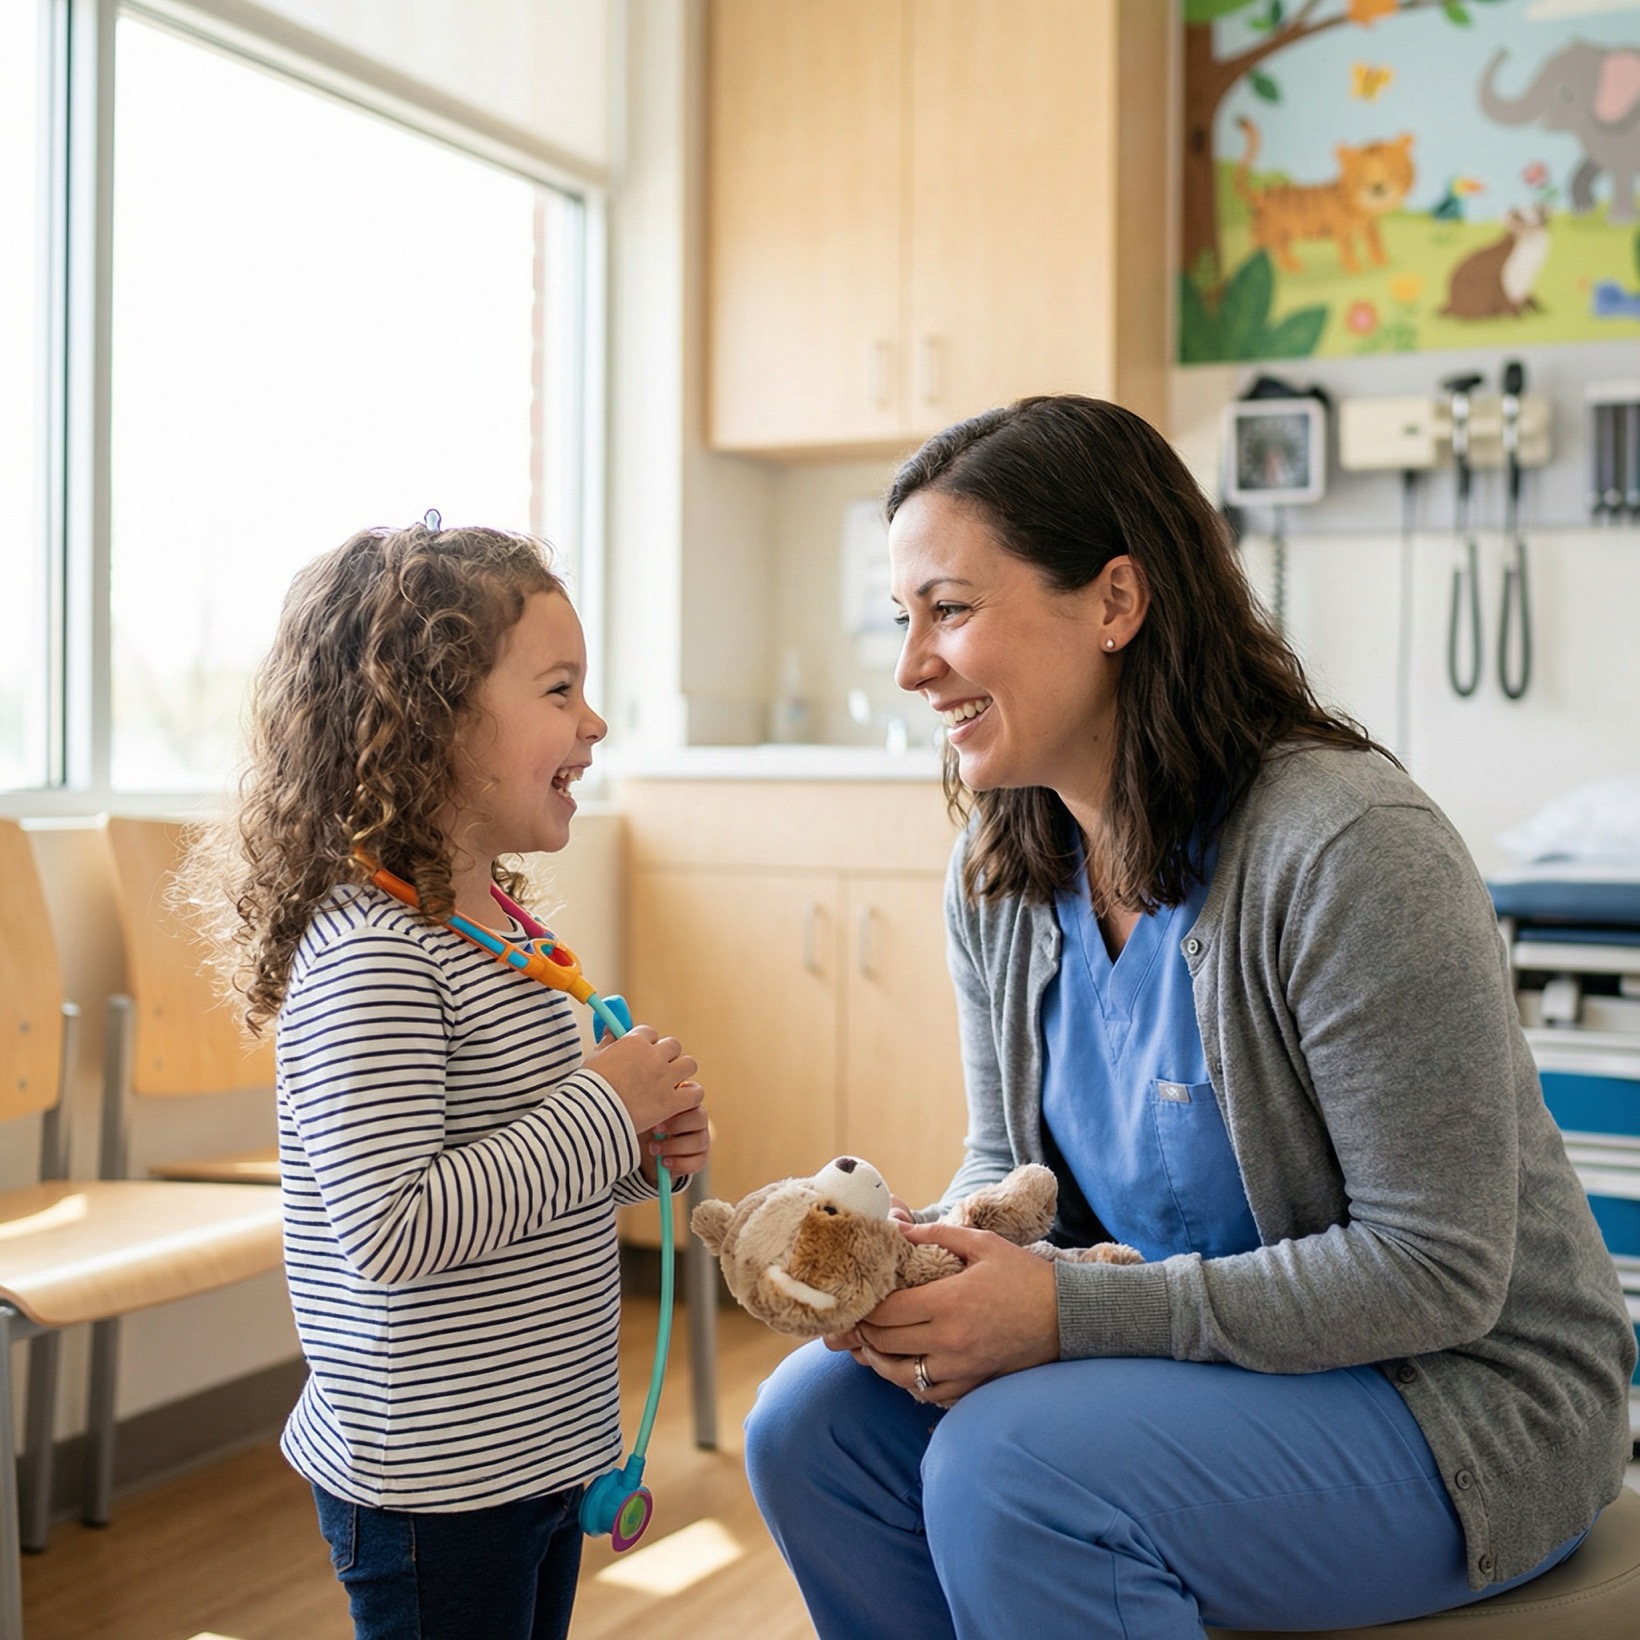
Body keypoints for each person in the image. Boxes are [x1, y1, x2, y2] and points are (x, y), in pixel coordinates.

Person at [744, 396, 1636, 1639]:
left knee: (1010, 1466)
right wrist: (929, 1266)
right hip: (1196, 1362)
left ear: (1115, 599)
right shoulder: (1001, 873)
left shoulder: (1342, 847)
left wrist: (1062, 1314)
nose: (909, 666)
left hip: (1448, 1393)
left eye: (948, 609)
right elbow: (1015, 1170)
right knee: (807, 1429)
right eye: (904, 618)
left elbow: (1435, 1269)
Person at [192, 521, 708, 1640]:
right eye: (559, 689)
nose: (595, 721)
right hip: (434, 1476)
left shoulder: (494, 930)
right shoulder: (371, 953)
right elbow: (394, 1228)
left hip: (535, 1445)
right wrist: (602, 1107)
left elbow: (510, 1167)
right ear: (430, 719)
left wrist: (632, 1152)